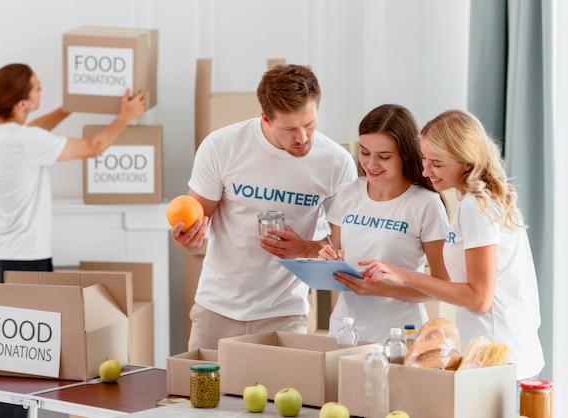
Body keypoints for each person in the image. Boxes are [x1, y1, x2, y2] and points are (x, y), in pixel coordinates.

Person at [0, 63, 145, 418]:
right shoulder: (26, 140)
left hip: (0, 260)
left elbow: (32, 130)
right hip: (28, 264)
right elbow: (94, 146)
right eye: (38, 88)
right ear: (22, 103)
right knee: (25, 368)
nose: (43, 92)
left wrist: (67, 108)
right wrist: (125, 116)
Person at [172, 64, 357, 351]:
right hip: (218, 307)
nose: (302, 138)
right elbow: (197, 220)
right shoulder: (221, 147)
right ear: (266, 119)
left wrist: (303, 248)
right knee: (202, 395)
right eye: (290, 129)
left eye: (309, 124)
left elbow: (345, 242)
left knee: (283, 396)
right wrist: (188, 240)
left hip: (285, 312)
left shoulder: (336, 162)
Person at [362, 109, 544, 382]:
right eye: (424, 159)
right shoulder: (481, 201)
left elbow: (479, 298)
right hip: (502, 355)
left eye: (436, 163)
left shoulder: (475, 208)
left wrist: (405, 275)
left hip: (498, 359)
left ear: (467, 163)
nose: (425, 170)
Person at [317, 104, 450, 343]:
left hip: (399, 335)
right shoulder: (347, 194)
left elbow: (441, 285)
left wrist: (383, 289)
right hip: (344, 330)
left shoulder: (426, 204)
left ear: (406, 154)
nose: (371, 164)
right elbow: (334, 254)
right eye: (365, 152)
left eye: (384, 157)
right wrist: (326, 258)